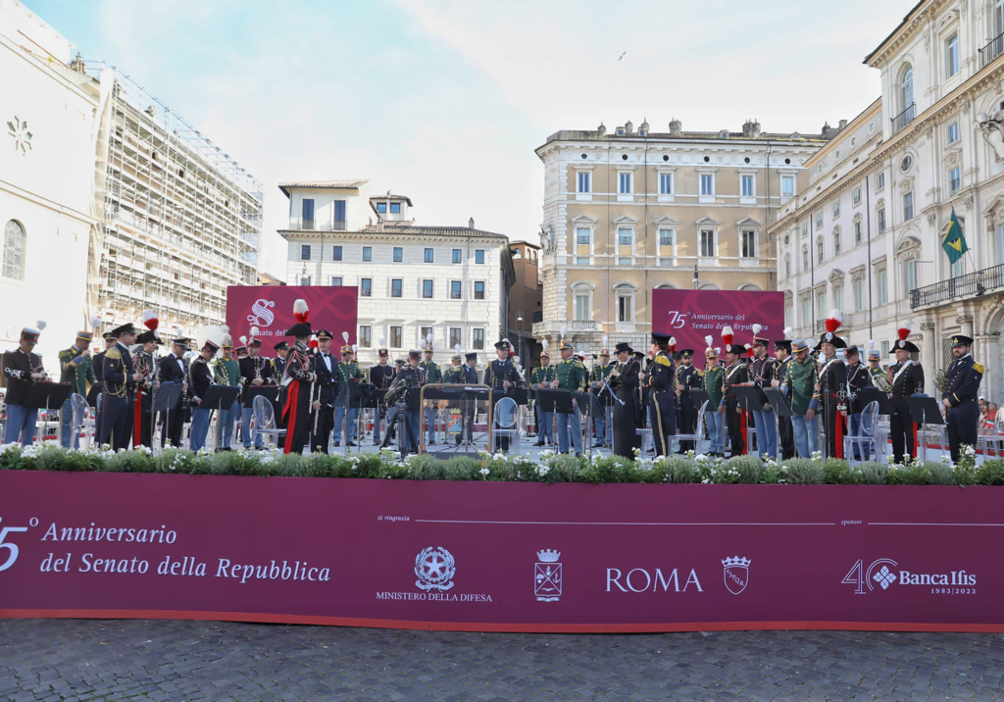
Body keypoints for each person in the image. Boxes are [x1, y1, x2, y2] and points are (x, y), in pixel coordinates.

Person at [100, 323, 143, 450]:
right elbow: (108, 375)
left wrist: (136, 378)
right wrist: (131, 377)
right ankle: (113, 459)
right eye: (132, 335)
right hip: (116, 398)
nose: (135, 338)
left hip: (126, 398)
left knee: (124, 432)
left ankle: (121, 457)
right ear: (122, 336)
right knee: (116, 432)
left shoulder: (125, 352)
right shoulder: (114, 352)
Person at [942, 334, 983, 463]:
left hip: (965, 408)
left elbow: (968, 387)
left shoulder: (975, 366)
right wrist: (944, 397)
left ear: (968, 348)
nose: (956, 350)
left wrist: (951, 400)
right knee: (953, 442)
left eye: (959, 347)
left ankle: (968, 473)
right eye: (954, 347)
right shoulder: (952, 365)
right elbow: (946, 384)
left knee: (967, 443)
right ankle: (956, 468)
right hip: (951, 410)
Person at [281, 300, 316, 454]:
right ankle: (291, 454)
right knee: (296, 424)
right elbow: (292, 370)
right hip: (297, 390)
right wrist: (310, 377)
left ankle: (297, 453)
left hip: (303, 390)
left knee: (302, 424)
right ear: (307, 336)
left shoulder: (302, 351)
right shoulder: (295, 351)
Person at [3, 325, 47, 446]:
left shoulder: (36, 357)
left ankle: (27, 459)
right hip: (16, 399)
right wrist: (30, 375)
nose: (31, 347)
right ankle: (9, 459)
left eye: (33, 344)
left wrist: (45, 377)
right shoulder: (10, 355)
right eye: (29, 344)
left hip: (32, 400)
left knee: (29, 434)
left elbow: (42, 372)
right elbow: (8, 371)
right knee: (12, 434)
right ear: (21, 341)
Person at [888, 323, 924, 464]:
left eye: (900, 352)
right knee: (896, 434)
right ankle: (897, 459)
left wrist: (917, 409)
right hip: (895, 403)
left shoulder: (915, 367)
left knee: (910, 435)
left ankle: (911, 459)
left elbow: (919, 389)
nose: (898, 354)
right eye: (896, 352)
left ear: (907, 352)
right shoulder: (893, 368)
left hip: (909, 404)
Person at [815, 311, 849, 460]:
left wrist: (842, 404)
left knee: (835, 435)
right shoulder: (822, 364)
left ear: (834, 348)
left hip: (834, 402)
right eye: (823, 345)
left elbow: (842, 385)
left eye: (828, 345)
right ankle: (829, 459)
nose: (825, 348)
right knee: (828, 434)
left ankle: (836, 462)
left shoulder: (838, 363)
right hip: (824, 401)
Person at [58, 329, 96, 449]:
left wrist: (98, 386)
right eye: (85, 343)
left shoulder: (88, 357)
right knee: (65, 424)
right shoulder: (65, 354)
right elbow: (66, 368)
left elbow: (91, 375)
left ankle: (75, 449)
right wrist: (81, 357)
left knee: (77, 425)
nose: (87, 345)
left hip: (80, 397)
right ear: (77, 341)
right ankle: (65, 449)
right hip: (67, 395)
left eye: (88, 343)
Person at [781, 338, 820, 458]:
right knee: (799, 438)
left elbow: (817, 387)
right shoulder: (791, 364)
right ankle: (804, 462)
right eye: (795, 353)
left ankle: (814, 463)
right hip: (796, 405)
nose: (797, 356)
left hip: (809, 405)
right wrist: (781, 389)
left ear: (807, 350)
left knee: (812, 439)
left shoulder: (814, 364)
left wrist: (812, 407)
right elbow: (787, 381)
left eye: (800, 353)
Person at [642, 332, 676, 457]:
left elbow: (660, 380)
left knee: (660, 429)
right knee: (658, 429)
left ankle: (662, 456)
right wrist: (651, 361)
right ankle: (661, 454)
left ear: (656, 345)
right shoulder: (658, 358)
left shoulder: (662, 358)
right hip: (659, 396)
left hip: (659, 396)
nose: (650, 346)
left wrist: (645, 378)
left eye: (652, 344)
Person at [484, 339, 522, 452]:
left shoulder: (511, 365)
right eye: (502, 350)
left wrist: (510, 384)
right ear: (497, 352)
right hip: (494, 397)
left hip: (506, 398)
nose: (505, 352)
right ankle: (495, 446)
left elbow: (519, 381)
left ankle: (505, 448)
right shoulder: (491, 365)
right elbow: (486, 382)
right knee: (494, 424)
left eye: (506, 350)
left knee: (505, 424)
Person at [746, 324, 778, 459]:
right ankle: (762, 456)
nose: (754, 349)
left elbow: (772, 383)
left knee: (769, 432)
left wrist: (770, 402)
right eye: (754, 346)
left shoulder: (772, 362)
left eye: (756, 346)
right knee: (759, 432)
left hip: (766, 402)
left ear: (764, 347)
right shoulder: (757, 363)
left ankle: (771, 457)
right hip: (756, 401)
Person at [239, 332, 273, 449]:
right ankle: (247, 444)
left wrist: (263, 381)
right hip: (247, 394)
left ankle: (258, 443)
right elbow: (240, 377)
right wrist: (251, 381)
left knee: (259, 421)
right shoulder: (242, 361)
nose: (250, 349)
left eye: (253, 347)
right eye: (249, 347)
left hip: (260, 394)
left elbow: (269, 377)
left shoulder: (266, 361)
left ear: (258, 348)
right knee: (246, 421)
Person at [553, 339, 588, 455]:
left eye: (564, 350)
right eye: (561, 350)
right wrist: (554, 384)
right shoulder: (558, 366)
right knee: (561, 425)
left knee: (575, 425)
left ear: (571, 352)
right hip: (561, 397)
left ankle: (578, 449)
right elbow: (556, 381)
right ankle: (563, 449)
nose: (562, 352)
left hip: (572, 397)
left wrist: (577, 396)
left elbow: (582, 383)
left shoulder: (576, 364)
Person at [607, 342, 640, 459]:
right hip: (619, 397)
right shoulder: (620, 365)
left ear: (626, 352)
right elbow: (619, 382)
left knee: (627, 428)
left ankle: (628, 454)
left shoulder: (634, 364)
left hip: (628, 398)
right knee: (618, 426)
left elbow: (632, 382)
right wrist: (610, 381)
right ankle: (618, 453)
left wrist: (618, 375)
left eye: (619, 354)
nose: (618, 357)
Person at [720, 327, 748, 457]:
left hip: (737, 402)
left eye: (729, 354)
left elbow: (744, 387)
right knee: (731, 428)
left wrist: (740, 404)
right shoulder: (729, 368)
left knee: (738, 428)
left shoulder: (742, 367)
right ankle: (734, 451)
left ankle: (739, 452)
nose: (726, 356)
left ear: (736, 355)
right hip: (729, 400)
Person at [309, 330, 338, 453]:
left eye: (325, 341)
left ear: (330, 342)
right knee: (317, 426)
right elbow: (311, 381)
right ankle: (316, 453)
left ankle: (325, 452)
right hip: (319, 394)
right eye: (320, 341)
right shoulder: (314, 358)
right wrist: (314, 399)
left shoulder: (334, 359)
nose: (322, 343)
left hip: (330, 396)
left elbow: (335, 379)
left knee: (327, 425)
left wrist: (336, 399)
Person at [212, 330, 241, 451]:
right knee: (221, 422)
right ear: (222, 350)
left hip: (234, 396)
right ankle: (218, 445)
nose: (227, 351)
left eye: (229, 349)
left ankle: (227, 444)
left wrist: (239, 385)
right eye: (225, 349)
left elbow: (238, 377)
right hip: (223, 396)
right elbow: (218, 376)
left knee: (230, 422)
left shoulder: (235, 363)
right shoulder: (218, 362)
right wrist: (226, 384)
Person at [158, 338, 190, 448]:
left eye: (185, 349)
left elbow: (186, 378)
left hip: (181, 396)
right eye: (182, 348)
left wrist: (188, 389)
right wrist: (176, 384)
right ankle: (166, 445)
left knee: (179, 421)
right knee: (169, 422)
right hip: (170, 395)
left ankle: (176, 443)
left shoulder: (184, 361)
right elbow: (161, 378)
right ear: (175, 346)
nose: (183, 351)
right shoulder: (166, 360)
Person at [187, 339, 218, 452]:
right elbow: (207, 381)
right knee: (198, 427)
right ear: (205, 351)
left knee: (204, 427)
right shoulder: (199, 364)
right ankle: (195, 449)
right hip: (199, 399)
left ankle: (200, 448)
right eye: (211, 354)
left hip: (204, 400)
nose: (212, 357)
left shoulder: (203, 364)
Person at [133, 329, 162, 448]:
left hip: (152, 394)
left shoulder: (154, 358)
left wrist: (157, 382)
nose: (154, 345)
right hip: (141, 393)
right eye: (151, 342)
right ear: (144, 344)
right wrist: (150, 383)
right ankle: (140, 448)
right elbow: (137, 376)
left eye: (155, 342)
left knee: (151, 422)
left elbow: (156, 375)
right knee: (141, 423)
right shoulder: (139, 357)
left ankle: (148, 448)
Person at [333, 341, 364, 447]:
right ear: (342, 355)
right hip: (341, 395)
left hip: (351, 396)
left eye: (349, 354)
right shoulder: (338, 366)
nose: (348, 356)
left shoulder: (353, 366)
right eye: (345, 354)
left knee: (350, 419)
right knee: (338, 419)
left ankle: (349, 439)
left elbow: (361, 375)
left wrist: (357, 365)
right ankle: (337, 438)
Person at [845, 345, 873, 460]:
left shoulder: (862, 369)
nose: (848, 359)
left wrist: (851, 397)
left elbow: (860, 388)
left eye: (850, 357)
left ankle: (865, 453)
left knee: (863, 429)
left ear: (857, 355)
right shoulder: (847, 368)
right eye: (847, 357)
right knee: (854, 430)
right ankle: (856, 452)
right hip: (851, 404)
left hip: (861, 404)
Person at [773, 330, 796, 459]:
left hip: (790, 401)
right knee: (783, 431)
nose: (775, 353)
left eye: (777, 350)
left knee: (789, 432)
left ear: (785, 351)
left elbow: (791, 382)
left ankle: (790, 457)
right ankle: (786, 456)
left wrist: (778, 383)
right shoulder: (781, 365)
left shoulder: (791, 364)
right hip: (782, 402)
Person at [674, 348, 701, 453]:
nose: (686, 360)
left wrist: (684, 388)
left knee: (690, 425)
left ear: (692, 359)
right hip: (680, 401)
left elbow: (698, 387)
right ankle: (682, 446)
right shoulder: (680, 371)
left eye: (688, 358)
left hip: (690, 402)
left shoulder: (696, 372)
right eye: (685, 358)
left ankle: (691, 447)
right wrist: (676, 390)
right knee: (682, 425)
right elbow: (675, 384)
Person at [702, 340, 725, 457]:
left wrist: (723, 403)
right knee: (711, 427)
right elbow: (703, 389)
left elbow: (725, 390)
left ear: (718, 359)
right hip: (708, 404)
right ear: (707, 360)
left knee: (719, 428)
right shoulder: (706, 373)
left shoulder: (722, 372)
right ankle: (713, 446)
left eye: (714, 358)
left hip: (718, 403)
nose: (712, 361)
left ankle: (720, 448)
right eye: (710, 359)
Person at [400, 349, 427, 452]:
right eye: (415, 360)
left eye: (418, 360)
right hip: (407, 402)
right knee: (407, 425)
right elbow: (399, 384)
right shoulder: (404, 371)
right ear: (410, 359)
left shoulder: (420, 371)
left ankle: (414, 445)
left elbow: (423, 384)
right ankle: (406, 446)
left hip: (417, 402)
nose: (417, 362)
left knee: (416, 425)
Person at [589, 346, 615, 448]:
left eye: (606, 357)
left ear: (608, 358)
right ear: (599, 358)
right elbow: (590, 381)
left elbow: (616, 381)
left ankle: (609, 440)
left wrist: (610, 381)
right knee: (598, 419)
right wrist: (597, 383)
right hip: (598, 394)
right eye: (602, 356)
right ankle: (599, 440)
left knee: (609, 419)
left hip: (608, 395)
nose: (604, 358)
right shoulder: (595, 368)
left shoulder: (612, 368)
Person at [530, 346, 556, 447]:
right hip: (539, 397)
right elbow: (531, 383)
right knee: (540, 420)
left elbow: (555, 383)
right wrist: (538, 386)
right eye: (542, 359)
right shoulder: (536, 371)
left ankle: (550, 439)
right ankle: (541, 439)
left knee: (549, 420)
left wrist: (548, 383)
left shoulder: (552, 371)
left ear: (548, 360)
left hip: (549, 397)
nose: (544, 360)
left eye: (545, 359)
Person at [370, 346, 395, 445]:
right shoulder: (374, 369)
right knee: (377, 418)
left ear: (387, 357)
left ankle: (388, 438)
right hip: (378, 396)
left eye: (384, 356)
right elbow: (372, 382)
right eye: (381, 356)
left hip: (389, 396)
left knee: (389, 419)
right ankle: (376, 438)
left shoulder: (391, 369)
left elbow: (394, 382)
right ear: (379, 357)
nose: (383, 358)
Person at [419, 344, 442, 445]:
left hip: (432, 394)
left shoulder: (436, 366)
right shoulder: (420, 365)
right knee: (419, 419)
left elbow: (440, 380)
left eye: (430, 353)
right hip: (422, 395)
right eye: (426, 353)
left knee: (431, 419)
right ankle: (419, 437)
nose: (428, 355)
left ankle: (431, 438)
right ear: (424, 353)